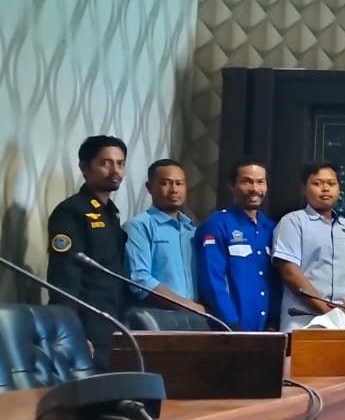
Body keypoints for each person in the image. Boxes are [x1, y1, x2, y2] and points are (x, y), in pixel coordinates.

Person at [46, 135, 129, 365]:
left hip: (113, 319)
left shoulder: (111, 212)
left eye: (120, 163)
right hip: (87, 322)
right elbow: (64, 278)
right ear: (85, 167)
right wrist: (71, 330)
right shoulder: (71, 211)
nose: (115, 170)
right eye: (105, 163)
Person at [273, 161, 345, 332]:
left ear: (339, 189)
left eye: (331, 183)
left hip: (343, 324)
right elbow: (289, 271)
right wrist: (327, 313)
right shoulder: (293, 221)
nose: (325, 189)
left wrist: (344, 313)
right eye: (317, 183)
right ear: (304, 189)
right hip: (302, 321)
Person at [195, 159, 277, 331]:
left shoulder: (271, 228)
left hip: (266, 330)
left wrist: (273, 320)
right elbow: (211, 279)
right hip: (230, 329)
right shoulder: (218, 224)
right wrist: (230, 322)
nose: (255, 188)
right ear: (232, 186)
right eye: (247, 181)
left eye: (260, 182)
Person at [124, 158, 201, 314]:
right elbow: (140, 280)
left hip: (195, 316)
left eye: (179, 183)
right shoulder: (138, 226)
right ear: (149, 187)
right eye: (165, 183)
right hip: (157, 316)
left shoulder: (193, 229)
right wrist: (187, 306)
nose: (174, 190)